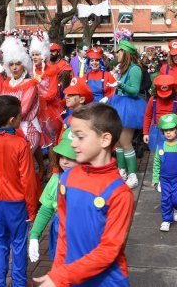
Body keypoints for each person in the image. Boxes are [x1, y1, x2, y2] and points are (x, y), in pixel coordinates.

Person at [33, 103, 134, 287]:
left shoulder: (119, 193)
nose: (72, 143)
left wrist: (62, 276)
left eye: (79, 137)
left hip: (106, 282)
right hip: (71, 277)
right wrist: (58, 271)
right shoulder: (67, 179)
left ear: (105, 140)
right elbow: (63, 231)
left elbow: (108, 250)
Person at [0, 95, 38, 287]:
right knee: (19, 244)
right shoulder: (21, 145)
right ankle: (20, 283)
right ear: (13, 119)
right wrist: (32, 209)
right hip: (17, 204)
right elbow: (28, 181)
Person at [28, 128, 78, 263]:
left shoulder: (93, 182)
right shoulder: (56, 180)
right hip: (60, 234)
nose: (65, 162)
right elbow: (45, 210)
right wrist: (34, 235)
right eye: (62, 157)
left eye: (71, 157)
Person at [107, 39, 147, 189]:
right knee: (117, 141)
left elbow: (135, 91)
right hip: (120, 106)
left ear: (125, 52)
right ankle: (121, 171)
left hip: (129, 108)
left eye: (119, 51)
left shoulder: (135, 69)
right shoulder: (124, 69)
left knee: (125, 142)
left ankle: (132, 176)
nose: (116, 53)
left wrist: (120, 84)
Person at [152, 114, 177, 232]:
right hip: (164, 179)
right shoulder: (160, 147)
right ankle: (166, 220)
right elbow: (156, 164)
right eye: (165, 130)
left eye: (171, 130)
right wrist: (155, 179)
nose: (168, 133)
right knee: (165, 200)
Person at [143, 74, 177, 153]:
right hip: (157, 131)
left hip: (174, 132)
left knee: (172, 154)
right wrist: (145, 132)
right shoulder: (152, 100)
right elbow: (148, 116)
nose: (164, 97)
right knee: (158, 154)